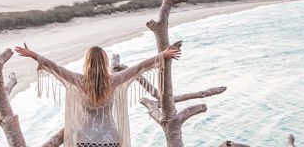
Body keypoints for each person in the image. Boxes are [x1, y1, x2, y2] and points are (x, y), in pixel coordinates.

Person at [15, 44, 181, 147]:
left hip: (84, 138)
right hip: (111, 138)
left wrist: (34, 55)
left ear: (87, 63)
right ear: (105, 63)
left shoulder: (78, 80)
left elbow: (56, 68)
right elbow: (138, 67)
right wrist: (161, 56)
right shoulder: (114, 80)